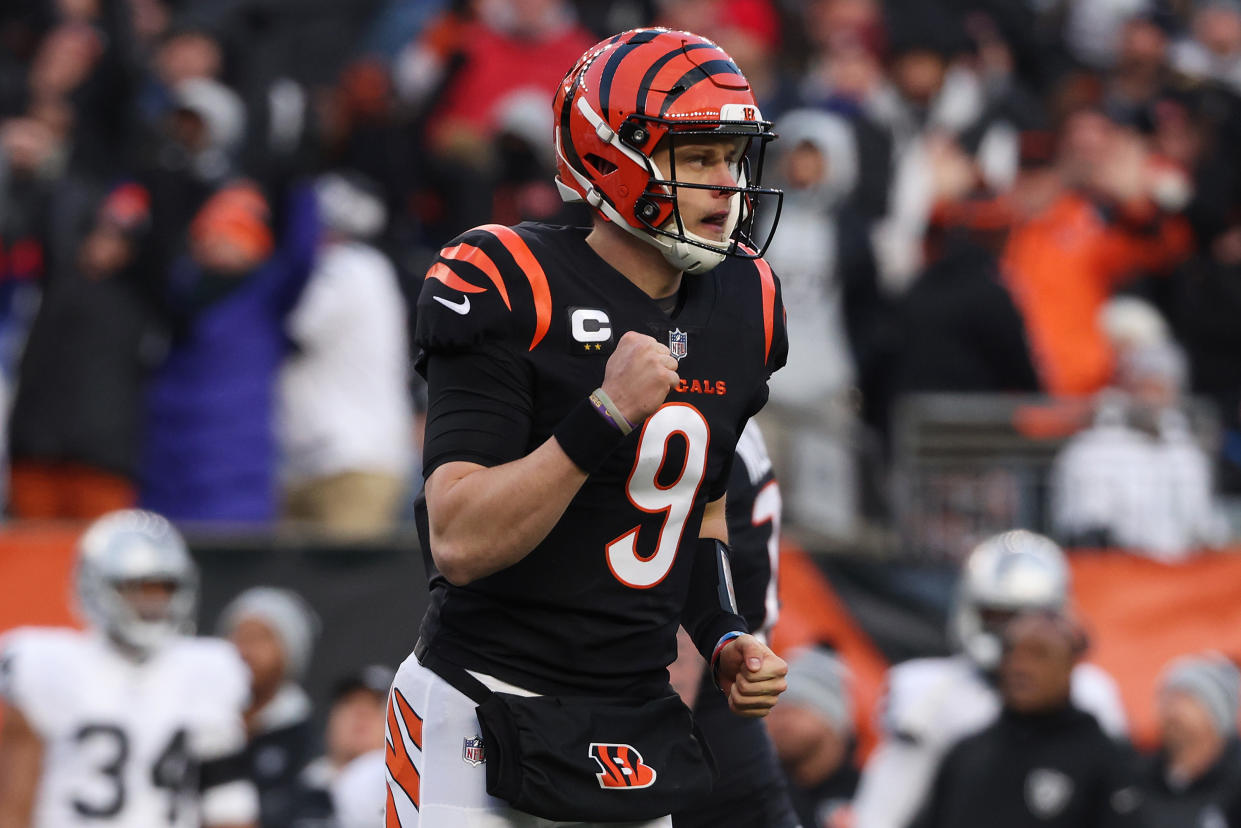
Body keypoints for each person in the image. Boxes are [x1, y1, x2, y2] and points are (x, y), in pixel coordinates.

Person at [388, 27, 791, 827]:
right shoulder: (510, 278)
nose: (727, 184)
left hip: (631, 721)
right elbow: (459, 541)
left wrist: (719, 630)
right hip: (481, 701)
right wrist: (603, 414)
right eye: (700, 156)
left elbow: (699, 501)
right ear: (616, 155)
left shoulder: (747, 299)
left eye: (734, 157)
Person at [852, 530, 1127, 828]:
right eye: (1001, 617)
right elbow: (883, 814)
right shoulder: (931, 694)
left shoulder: (1093, 694)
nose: (1018, 640)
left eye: (1031, 620)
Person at [0, 509, 258, 827]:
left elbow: (228, 806)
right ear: (98, 585)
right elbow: (13, 804)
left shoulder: (207, 670)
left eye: (163, 588)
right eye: (138, 588)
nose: (152, 602)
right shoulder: (48, 665)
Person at [671, 421, 801, 828]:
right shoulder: (735, 414)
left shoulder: (688, 420)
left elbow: (675, 617)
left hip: (692, 709)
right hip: (731, 719)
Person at [909, 610, 1144, 828]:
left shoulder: (1103, 758)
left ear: (1068, 667)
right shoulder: (966, 753)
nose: (1020, 666)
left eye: (1038, 654)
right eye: (1010, 652)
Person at [279, 171, 413, 536]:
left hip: (351, 461)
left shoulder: (349, 267)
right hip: (317, 461)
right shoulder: (368, 268)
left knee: (345, 591)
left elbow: (289, 332)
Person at [217, 587, 320, 828]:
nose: (244, 651)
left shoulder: (306, 738)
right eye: (238, 637)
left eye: (260, 638)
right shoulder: (204, 722)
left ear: (290, 652)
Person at [1138, 652, 1241, 826]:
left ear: (1216, 713)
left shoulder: (1234, 785)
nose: (1171, 708)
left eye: (1185, 697)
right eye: (1168, 698)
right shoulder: (1137, 778)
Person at [764, 646, 858, 828]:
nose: (780, 715)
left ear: (834, 721)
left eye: (798, 704)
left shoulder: (869, 797)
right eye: (774, 707)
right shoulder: (751, 782)